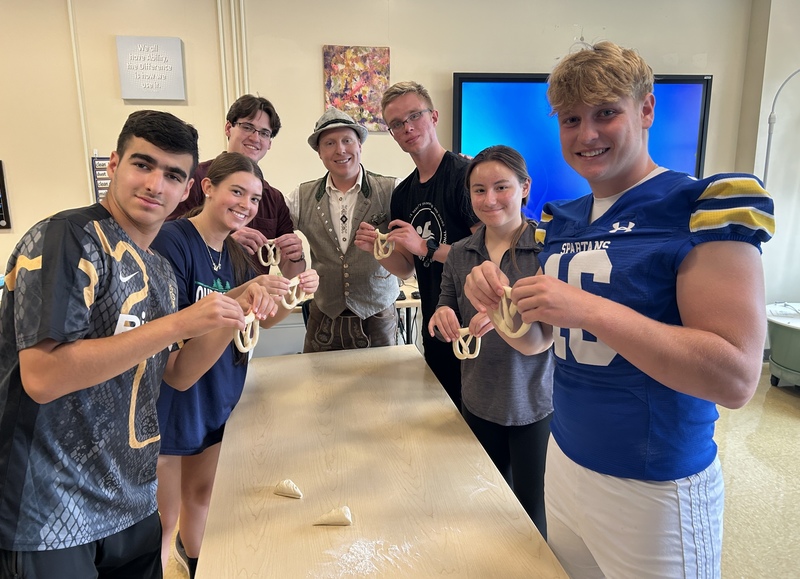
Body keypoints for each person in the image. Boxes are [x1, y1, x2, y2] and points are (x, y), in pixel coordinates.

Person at [464, 41, 775, 578]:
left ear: (646, 109)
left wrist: (589, 309)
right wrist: (500, 311)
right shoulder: (564, 220)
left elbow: (735, 377)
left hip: (655, 486)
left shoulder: (698, 206)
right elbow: (543, 343)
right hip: (566, 463)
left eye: (606, 112)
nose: (587, 134)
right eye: (571, 119)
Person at [0, 111, 274, 578]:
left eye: (172, 174)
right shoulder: (68, 237)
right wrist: (176, 324)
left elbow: (180, 373)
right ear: (114, 164)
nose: (155, 184)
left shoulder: (161, 272)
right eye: (142, 165)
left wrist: (234, 312)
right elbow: (43, 377)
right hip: (49, 505)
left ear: (187, 188)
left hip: (131, 498)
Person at [152, 152, 318, 577]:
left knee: (202, 495)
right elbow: (173, 344)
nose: (246, 205)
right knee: (163, 520)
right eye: (237, 192)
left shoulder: (232, 251)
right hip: (174, 401)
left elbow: (257, 315)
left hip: (218, 391)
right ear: (207, 188)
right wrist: (243, 299)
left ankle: (198, 567)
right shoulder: (173, 241)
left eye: (256, 199)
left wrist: (294, 291)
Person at [428, 145, 554, 537]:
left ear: (525, 188)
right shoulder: (460, 254)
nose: (490, 199)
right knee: (484, 500)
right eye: (479, 190)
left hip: (533, 401)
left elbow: (553, 333)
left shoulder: (547, 250)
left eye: (502, 187)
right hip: (478, 397)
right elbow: (446, 303)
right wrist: (442, 315)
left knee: (531, 508)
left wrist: (505, 317)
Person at [356, 81, 479, 408]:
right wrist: (378, 251)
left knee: (477, 433)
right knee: (445, 420)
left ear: (434, 116)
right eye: (396, 123)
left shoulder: (466, 177)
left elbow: (489, 256)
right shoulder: (404, 193)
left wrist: (426, 248)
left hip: (477, 327)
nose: (407, 127)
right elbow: (407, 266)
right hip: (436, 324)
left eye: (415, 116)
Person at [285, 108, 399, 352]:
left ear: (360, 144)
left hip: (378, 318)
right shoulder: (300, 197)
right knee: (320, 388)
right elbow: (269, 228)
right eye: (329, 143)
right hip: (324, 318)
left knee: (385, 389)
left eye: (347, 140)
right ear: (319, 152)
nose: (340, 150)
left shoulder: (391, 190)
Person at [168, 94, 306, 279]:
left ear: (269, 143)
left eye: (264, 133)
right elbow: (167, 245)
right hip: (199, 299)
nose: (255, 138)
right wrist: (223, 246)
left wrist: (296, 256)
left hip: (253, 304)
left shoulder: (273, 198)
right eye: (248, 127)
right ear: (228, 128)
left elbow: (291, 273)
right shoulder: (194, 179)